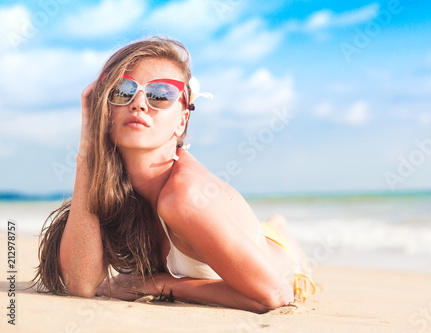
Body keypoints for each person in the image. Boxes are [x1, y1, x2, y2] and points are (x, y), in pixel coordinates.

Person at [33, 37, 315, 313]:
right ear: (105, 110)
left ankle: (277, 228)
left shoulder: (186, 198)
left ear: (182, 120)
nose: (139, 103)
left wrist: (160, 284)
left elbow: (275, 294)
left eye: (161, 94)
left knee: (276, 234)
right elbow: (80, 284)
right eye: (123, 90)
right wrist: (88, 148)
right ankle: (273, 224)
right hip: (227, 233)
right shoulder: (116, 189)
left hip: (285, 259)